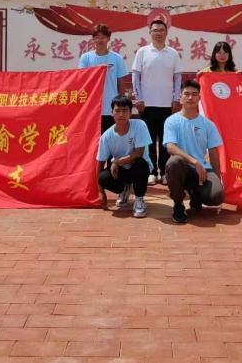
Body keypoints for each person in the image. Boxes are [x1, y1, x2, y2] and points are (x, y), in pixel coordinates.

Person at [164, 79, 224, 224]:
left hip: (202, 170)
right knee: (174, 162)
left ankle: (195, 194)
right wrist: (194, 162)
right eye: (187, 94)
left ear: (199, 98)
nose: (190, 97)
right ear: (180, 98)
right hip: (183, 168)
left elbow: (214, 152)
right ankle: (178, 204)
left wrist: (217, 178)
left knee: (216, 196)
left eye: (194, 94)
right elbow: (170, 147)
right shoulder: (171, 121)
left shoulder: (208, 124)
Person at [132, 19, 182, 186]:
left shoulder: (173, 53)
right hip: (147, 104)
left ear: (166, 32)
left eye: (161, 30)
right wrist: (138, 98)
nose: (158, 33)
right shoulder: (143, 52)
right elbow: (135, 76)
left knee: (166, 140)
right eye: (155, 30)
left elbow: (177, 77)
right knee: (150, 140)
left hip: (167, 105)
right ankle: (152, 172)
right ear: (150, 33)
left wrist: (176, 98)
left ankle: (165, 172)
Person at [96, 95, 152, 217]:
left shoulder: (140, 125)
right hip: (120, 170)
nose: (121, 114)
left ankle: (139, 199)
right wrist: (101, 192)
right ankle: (123, 189)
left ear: (130, 113)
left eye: (125, 111)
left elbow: (139, 152)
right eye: (117, 110)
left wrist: (116, 162)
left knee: (140, 164)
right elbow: (100, 163)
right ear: (112, 113)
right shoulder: (106, 137)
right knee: (103, 177)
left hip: (138, 167)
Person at [78, 23, 128, 133]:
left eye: (103, 37)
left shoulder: (117, 58)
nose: (100, 40)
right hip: (92, 107)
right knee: (92, 138)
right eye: (97, 37)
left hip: (111, 107)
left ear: (108, 38)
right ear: (93, 39)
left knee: (112, 137)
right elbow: (82, 79)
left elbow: (121, 81)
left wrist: (121, 103)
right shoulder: (86, 58)